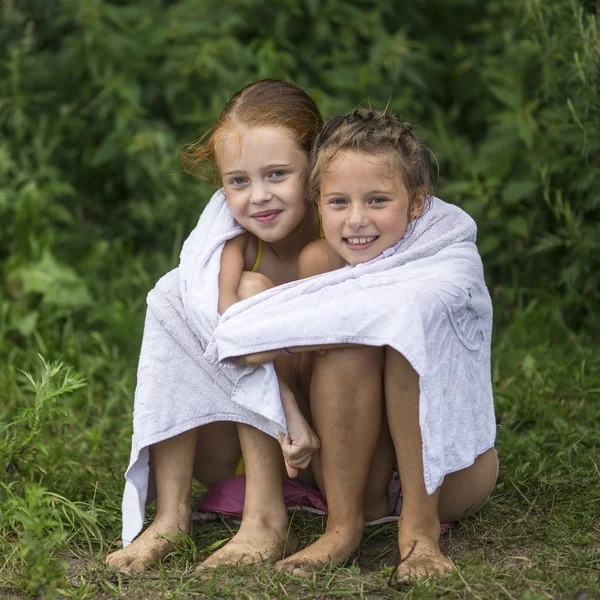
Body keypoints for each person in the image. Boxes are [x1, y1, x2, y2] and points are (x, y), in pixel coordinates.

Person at [230, 108, 499, 581]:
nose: (356, 220)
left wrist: (270, 342)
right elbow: (260, 346)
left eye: (377, 200)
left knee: (410, 330)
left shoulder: (444, 253)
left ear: (417, 202)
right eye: (338, 202)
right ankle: (343, 527)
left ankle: (419, 533)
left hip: (450, 474)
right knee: (347, 341)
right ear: (317, 201)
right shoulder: (323, 261)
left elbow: (432, 340)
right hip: (357, 473)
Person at [106, 79, 324, 573]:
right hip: (236, 449)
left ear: (316, 165)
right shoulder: (233, 248)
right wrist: (284, 404)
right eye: (238, 181)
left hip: (320, 444)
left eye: (277, 174)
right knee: (181, 297)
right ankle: (171, 514)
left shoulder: (342, 234)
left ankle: (266, 517)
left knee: (251, 299)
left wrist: (296, 404)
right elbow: (226, 335)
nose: (259, 197)